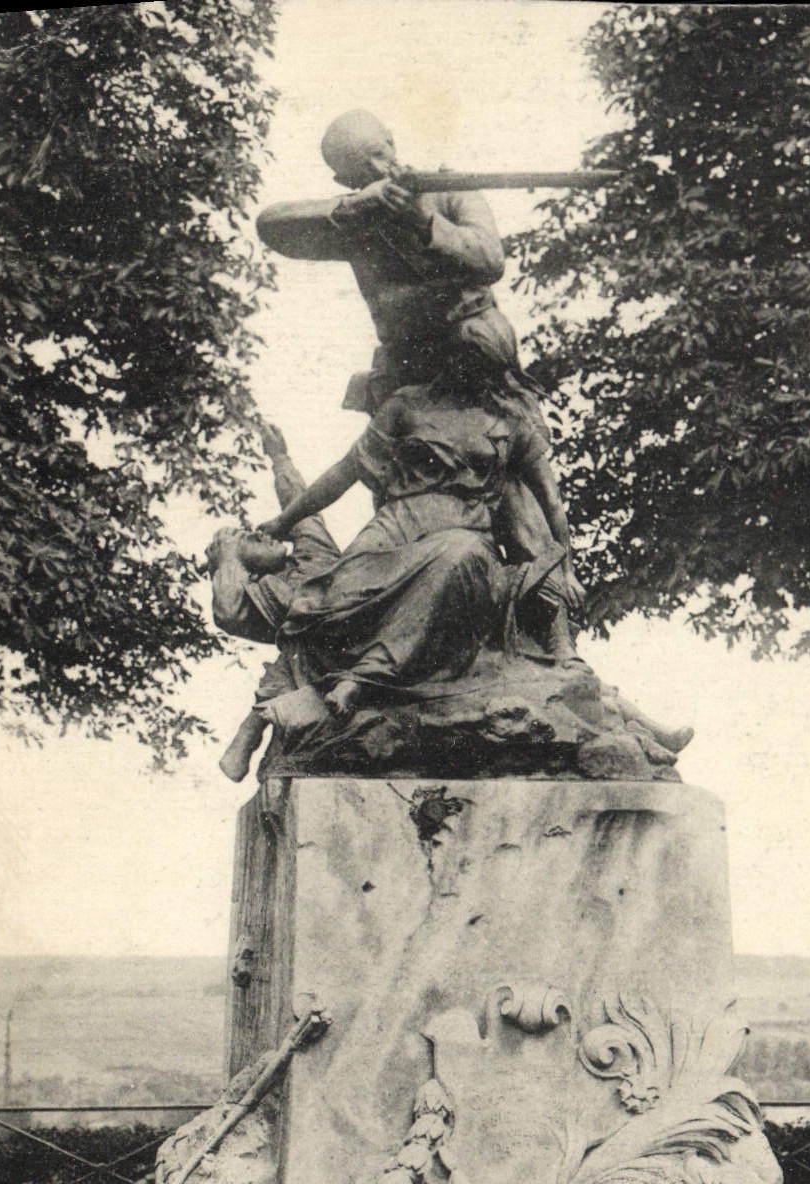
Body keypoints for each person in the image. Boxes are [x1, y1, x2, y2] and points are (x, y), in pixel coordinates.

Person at [211, 343, 582, 780]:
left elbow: (550, 502)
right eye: (454, 353)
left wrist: (565, 564)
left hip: (465, 536)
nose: (461, 367)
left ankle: (360, 681)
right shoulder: (406, 406)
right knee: (328, 605)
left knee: (453, 561)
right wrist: (281, 519)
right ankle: (275, 714)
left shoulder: (511, 423)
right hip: (394, 529)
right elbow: (341, 475)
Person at [256, 110, 561, 581]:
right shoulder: (357, 218)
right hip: (407, 377)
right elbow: (273, 226)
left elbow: (488, 257)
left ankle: (545, 603)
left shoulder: (446, 189)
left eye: (382, 152)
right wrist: (357, 205)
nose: (383, 168)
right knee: (398, 506)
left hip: (475, 366)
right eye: (365, 167)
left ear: (392, 140)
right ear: (344, 178)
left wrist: (425, 224)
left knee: (512, 491)